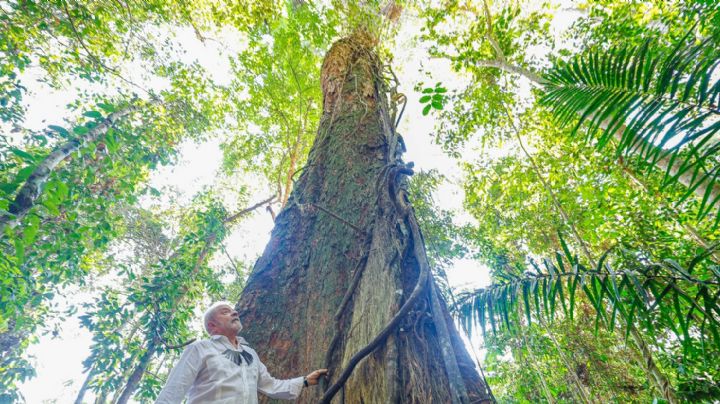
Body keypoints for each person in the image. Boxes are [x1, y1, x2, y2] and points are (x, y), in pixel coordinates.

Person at [156, 301, 328, 403]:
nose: (234, 312)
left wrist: (304, 381)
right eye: (225, 312)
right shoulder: (200, 349)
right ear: (212, 326)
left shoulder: (250, 354)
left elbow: (270, 385)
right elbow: (174, 389)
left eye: (233, 311)